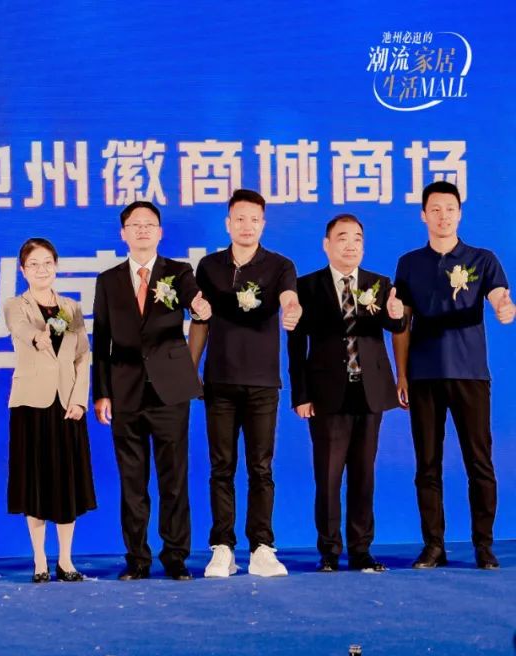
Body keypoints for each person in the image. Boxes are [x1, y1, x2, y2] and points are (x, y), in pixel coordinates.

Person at [393, 181, 515, 570]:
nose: (443, 216)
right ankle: (434, 546)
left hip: (470, 374)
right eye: (435, 209)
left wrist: (505, 306)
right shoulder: (409, 263)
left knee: (479, 461)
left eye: (450, 209)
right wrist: (401, 374)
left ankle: (484, 545)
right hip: (424, 376)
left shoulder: (482, 259)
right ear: (423, 215)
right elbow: (401, 323)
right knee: (427, 465)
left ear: (460, 214)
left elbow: (499, 296)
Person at [93, 201, 211, 581]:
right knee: (133, 482)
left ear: (160, 233)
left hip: (169, 390)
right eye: (135, 224)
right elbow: (102, 341)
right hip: (125, 390)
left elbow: (193, 299)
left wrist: (199, 305)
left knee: (173, 479)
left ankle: (175, 557)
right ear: (123, 233)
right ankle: (137, 559)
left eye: (149, 224)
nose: (142, 230)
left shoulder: (178, 272)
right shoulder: (108, 280)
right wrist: (101, 392)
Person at [188, 189, 301, 578]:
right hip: (219, 381)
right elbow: (200, 321)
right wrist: (191, 368)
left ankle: (262, 547)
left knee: (260, 467)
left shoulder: (280, 265)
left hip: (262, 383)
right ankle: (223, 547)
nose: (247, 226)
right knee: (221, 467)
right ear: (228, 224)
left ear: (263, 224)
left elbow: (289, 298)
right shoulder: (210, 266)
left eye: (254, 219)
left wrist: (292, 309)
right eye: (240, 219)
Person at [288, 214, 405, 572]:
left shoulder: (379, 284)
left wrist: (397, 314)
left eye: (357, 238)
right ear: (327, 245)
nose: (351, 245)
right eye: (342, 238)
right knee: (328, 475)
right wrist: (300, 395)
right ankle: (328, 550)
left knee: (364, 474)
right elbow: (296, 346)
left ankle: (361, 549)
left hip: (370, 391)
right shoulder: (306, 287)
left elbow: (394, 324)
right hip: (326, 393)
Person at [4, 238, 96, 583]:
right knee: (36, 483)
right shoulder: (16, 305)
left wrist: (80, 399)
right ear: (22, 270)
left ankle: (66, 560)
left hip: (67, 403)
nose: (41, 270)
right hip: (31, 404)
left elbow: (83, 355)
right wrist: (38, 337)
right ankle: (40, 560)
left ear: (56, 266)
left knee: (66, 482)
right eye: (34, 264)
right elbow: (21, 329)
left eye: (47, 263)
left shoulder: (71, 307)